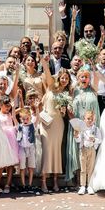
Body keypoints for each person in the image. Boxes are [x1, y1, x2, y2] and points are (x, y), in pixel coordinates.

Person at [40, 54, 72, 192]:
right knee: (47, 151)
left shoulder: (67, 93)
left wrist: (64, 110)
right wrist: (45, 62)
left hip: (59, 123)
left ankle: (55, 181)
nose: (64, 80)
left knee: (57, 152)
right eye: (63, 77)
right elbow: (47, 72)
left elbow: (65, 114)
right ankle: (43, 182)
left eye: (67, 78)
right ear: (59, 77)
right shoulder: (51, 86)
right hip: (47, 122)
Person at [66, 69, 100, 184]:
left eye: (86, 77)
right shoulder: (73, 91)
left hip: (91, 125)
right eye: (82, 77)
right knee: (77, 151)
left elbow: (97, 77)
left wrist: (93, 66)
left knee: (89, 151)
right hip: (77, 125)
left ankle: (89, 180)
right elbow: (69, 108)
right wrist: (73, 121)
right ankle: (78, 179)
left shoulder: (94, 90)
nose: (84, 79)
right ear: (78, 78)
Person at [74, 109, 102, 195]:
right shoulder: (82, 129)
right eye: (88, 119)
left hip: (92, 150)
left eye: (91, 119)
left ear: (94, 120)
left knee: (90, 168)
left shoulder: (96, 129)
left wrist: (94, 140)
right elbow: (78, 140)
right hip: (83, 149)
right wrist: (76, 135)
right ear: (84, 119)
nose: (90, 120)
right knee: (83, 169)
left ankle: (90, 185)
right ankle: (82, 186)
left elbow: (100, 140)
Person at [0, 95, 19, 193]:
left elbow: (15, 118)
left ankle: (8, 184)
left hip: (11, 141)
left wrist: (14, 108)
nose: (8, 108)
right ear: (1, 105)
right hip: (2, 140)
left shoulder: (10, 115)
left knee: (10, 164)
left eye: (9, 106)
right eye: (6, 106)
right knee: (0, 163)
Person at [16, 107, 38, 192]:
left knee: (31, 166)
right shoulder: (20, 126)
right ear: (21, 119)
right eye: (23, 118)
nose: (25, 120)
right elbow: (14, 117)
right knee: (22, 167)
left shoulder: (32, 125)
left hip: (31, 147)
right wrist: (14, 107)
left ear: (30, 117)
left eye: (27, 118)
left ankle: (30, 184)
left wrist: (37, 109)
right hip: (22, 147)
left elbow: (38, 119)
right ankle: (23, 184)